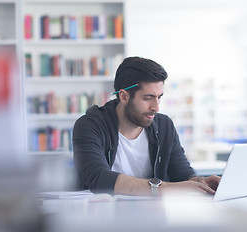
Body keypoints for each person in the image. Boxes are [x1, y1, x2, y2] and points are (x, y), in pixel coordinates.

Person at [73, 56, 220, 196]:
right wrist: (164, 188)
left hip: (153, 216)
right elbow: (99, 179)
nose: (156, 107)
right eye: (148, 98)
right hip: (101, 217)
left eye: (159, 97)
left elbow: (183, 174)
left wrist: (200, 183)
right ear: (124, 96)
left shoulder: (164, 126)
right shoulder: (90, 125)